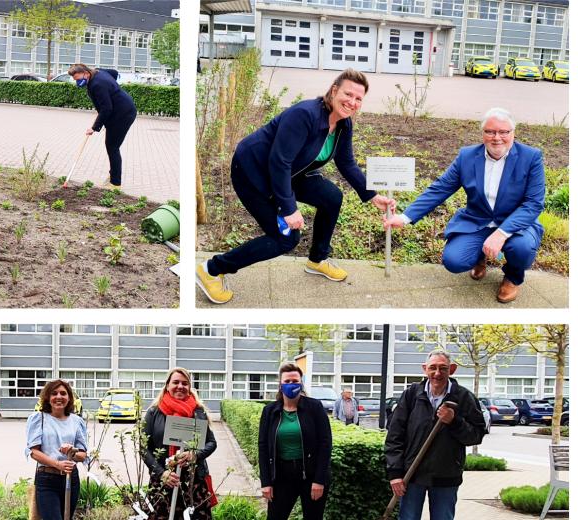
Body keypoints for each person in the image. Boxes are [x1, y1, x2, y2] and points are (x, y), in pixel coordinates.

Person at [196, 69, 396, 304]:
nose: (352, 102)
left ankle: (317, 260)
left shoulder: (343, 125)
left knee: (331, 197)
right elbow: (279, 161)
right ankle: (212, 269)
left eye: (358, 99)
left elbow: (347, 163)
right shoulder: (304, 115)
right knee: (286, 237)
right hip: (253, 172)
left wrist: (372, 195)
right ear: (334, 91)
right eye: (348, 94)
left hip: (289, 172)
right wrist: (289, 208)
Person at [384, 107, 545, 303]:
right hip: (478, 221)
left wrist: (501, 233)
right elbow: (440, 188)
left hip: (515, 224)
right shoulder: (467, 156)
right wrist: (404, 217)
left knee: (522, 249)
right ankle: (479, 258)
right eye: (490, 131)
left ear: (513, 133)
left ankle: (512, 277)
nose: (497, 137)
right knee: (453, 261)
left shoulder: (531, 158)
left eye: (504, 132)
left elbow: (533, 204)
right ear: (482, 133)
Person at [384, 349, 487, 520]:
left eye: (443, 368)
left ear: (452, 369)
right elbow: (394, 436)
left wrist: (455, 422)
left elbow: (476, 435)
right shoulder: (411, 395)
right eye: (433, 368)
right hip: (412, 476)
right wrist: (395, 474)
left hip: (446, 477)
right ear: (425, 369)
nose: (437, 373)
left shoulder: (463, 397)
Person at [257, 362, 332, 520]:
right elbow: (263, 447)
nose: (291, 385)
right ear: (280, 384)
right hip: (281, 476)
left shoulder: (315, 407)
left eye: (295, 381)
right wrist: (265, 482)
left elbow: (325, 444)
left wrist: (319, 480)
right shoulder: (270, 411)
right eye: (287, 382)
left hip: (311, 476)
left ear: (301, 382)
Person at [141, 367, 218, 519]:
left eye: (185, 383)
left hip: (194, 483)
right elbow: (143, 448)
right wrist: (162, 473)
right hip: (164, 481)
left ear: (189, 387)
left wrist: (194, 455)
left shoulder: (198, 412)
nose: (180, 386)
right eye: (175, 382)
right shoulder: (153, 413)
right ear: (167, 385)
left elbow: (211, 443)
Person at [25, 379, 88, 520]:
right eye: (54, 393)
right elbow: (34, 452)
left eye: (63, 393)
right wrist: (58, 464)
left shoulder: (77, 421)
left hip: (71, 479)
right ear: (47, 397)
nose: (59, 397)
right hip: (47, 479)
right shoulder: (38, 418)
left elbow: (83, 455)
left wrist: (72, 451)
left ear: (69, 398)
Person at [68, 63, 137, 188]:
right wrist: (112, 89)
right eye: (75, 80)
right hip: (119, 109)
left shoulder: (97, 84)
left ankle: (115, 183)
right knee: (111, 145)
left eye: (78, 79)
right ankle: (113, 176)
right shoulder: (98, 72)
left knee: (112, 147)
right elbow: (114, 73)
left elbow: (106, 108)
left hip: (122, 114)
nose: (77, 82)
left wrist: (94, 128)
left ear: (86, 73)